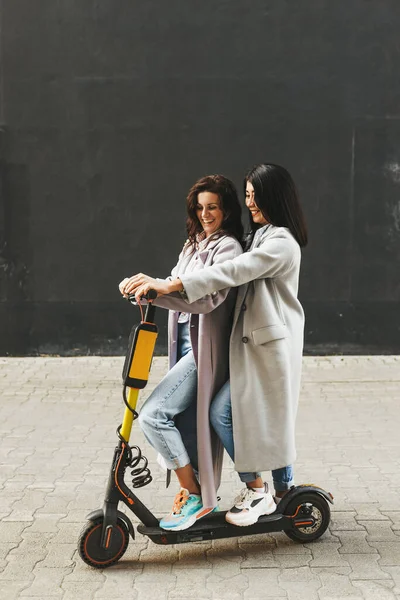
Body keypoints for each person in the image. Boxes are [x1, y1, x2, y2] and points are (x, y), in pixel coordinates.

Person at [126, 163, 308, 527]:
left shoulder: (280, 244)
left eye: (256, 196)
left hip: (266, 349)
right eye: (248, 196)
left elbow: (232, 272)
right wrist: (153, 290)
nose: (251, 203)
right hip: (247, 346)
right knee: (262, 418)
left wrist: (171, 287)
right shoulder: (257, 236)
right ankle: (281, 489)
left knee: (234, 414)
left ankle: (258, 489)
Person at [119, 174, 244, 531]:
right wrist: (144, 288)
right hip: (185, 349)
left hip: (206, 352)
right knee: (182, 423)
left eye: (213, 208)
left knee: (154, 415)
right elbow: (172, 284)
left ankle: (194, 494)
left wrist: (157, 288)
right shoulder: (192, 245)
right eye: (200, 208)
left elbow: (207, 298)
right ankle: (197, 493)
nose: (206, 214)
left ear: (226, 210)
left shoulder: (229, 248)